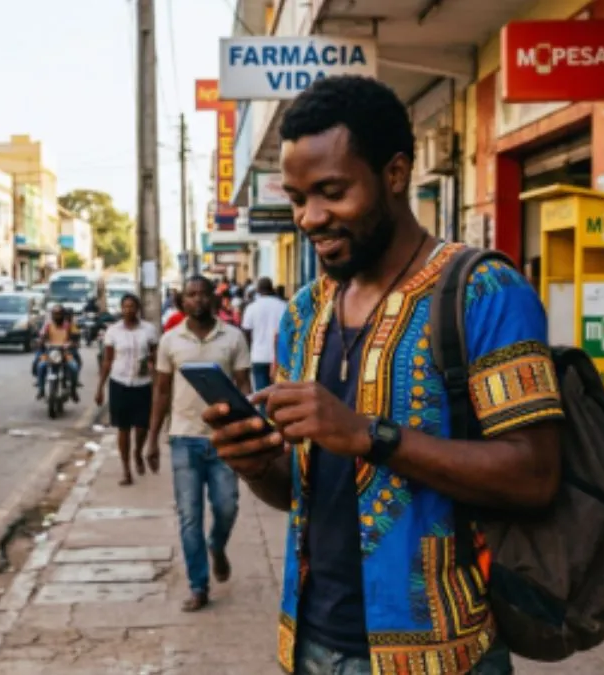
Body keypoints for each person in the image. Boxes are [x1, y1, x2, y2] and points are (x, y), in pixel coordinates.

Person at [202, 75, 563, 674]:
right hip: (310, 642)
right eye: (297, 198)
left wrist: (370, 434)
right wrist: (256, 462)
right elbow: (300, 493)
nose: (310, 217)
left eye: (332, 192)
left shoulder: (482, 291)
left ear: (395, 175)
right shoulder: (303, 315)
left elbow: (534, 474)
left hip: (445, 653)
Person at [148, 275, 251, 612]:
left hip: (224, 440)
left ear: (214, 298)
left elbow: (244, 387)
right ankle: (198, 585)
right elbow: (161, 391)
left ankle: (217, 546)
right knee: (189, 517)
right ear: (182, 301)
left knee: (227, 507)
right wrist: (151, 439)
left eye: (203, 294)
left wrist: (252, 429)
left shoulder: (233, 337)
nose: (198, 300)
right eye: (191, 295)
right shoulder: (170, 340)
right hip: (183, 438)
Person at [95, 293, 159, 485]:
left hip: (142, 384)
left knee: (142, 426)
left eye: (132, 306)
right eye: (125, 307)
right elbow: (107, 360)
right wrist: (100, 388)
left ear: (138, 308)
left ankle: (138, 452)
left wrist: (156, 377)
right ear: (121, 309)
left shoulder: (149, 330)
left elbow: (156, 356)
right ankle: (126, 470)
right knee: (123, 429)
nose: (128, 310)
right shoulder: (113, 332)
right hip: (119, 383)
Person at [240, 277, 288, 394]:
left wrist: (249, 350)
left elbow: (246, 332)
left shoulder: (251, 307)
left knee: (262, 395)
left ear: (258, 290)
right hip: (279, 358)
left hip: (258, 356)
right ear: (271, 288)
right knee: (279, 395)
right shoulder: (283, 306)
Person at [35, 304, 80, 401]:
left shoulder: (68, 325)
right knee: (41, 366)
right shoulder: (48, 325)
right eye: (55, 314)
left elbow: (75, 337)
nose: (57, 316)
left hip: (65, 353)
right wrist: (41, 341)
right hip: (50, 353)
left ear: (63, 314)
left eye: (59, 314)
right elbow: (42, 335)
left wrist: (70, 343)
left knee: (74, 368)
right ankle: (41, 390)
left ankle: (73, 390)